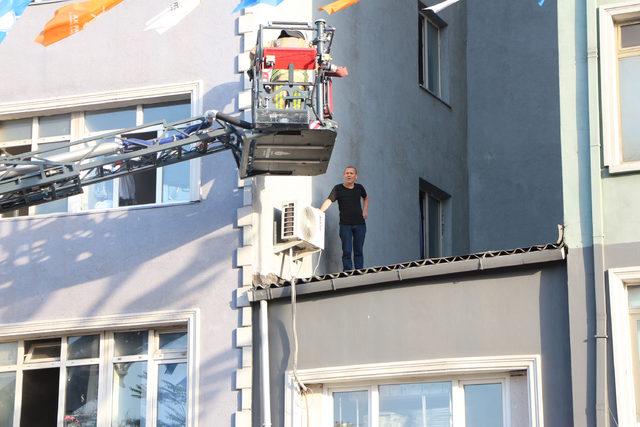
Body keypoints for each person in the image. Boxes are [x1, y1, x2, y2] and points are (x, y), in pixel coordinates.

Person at [320, 166, 369, 271]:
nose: (349, 175)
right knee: (346, 250)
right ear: (344, 175)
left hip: (360, 224)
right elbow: (329, 201)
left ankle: (359, 270)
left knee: (358, 250)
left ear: (356, 176)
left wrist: (365, 210)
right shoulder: (338, 188)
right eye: (347, 173)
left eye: (351, 173)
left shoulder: (359, 187)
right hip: (345, 225)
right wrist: (320, 211)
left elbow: (366, 197)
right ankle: (347, 271)